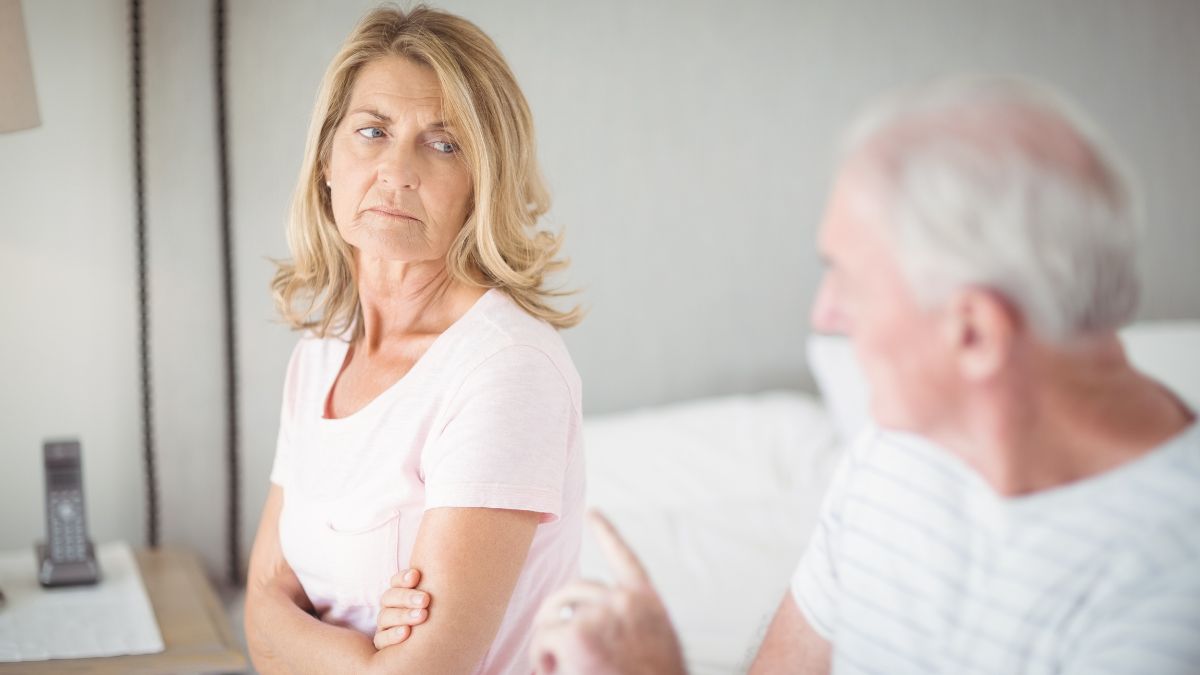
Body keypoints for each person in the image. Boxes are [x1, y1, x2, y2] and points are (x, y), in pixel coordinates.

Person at [378, 76, 1200, 673]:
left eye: (851, 278)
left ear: (976, 334)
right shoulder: (898, 450)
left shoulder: (1166, 595)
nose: (825, 315)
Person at [243, 6, 585, 674]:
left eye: (443, 143)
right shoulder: (320, 352)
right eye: (372, 131)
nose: (396, 170)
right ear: (326, 162)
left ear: (482, 185)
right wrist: (366, 651)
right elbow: (258, 611)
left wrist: (314, 640)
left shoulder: (506, 368)